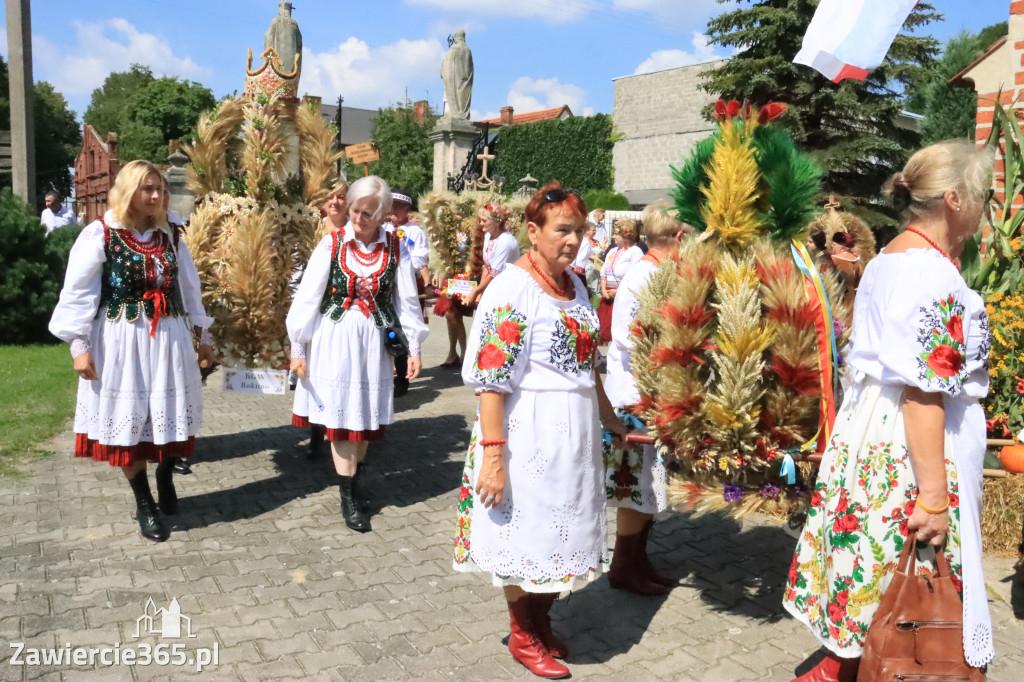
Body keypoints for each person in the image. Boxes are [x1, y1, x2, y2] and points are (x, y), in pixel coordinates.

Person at [784, 141, 995, 681]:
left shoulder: (891, 257)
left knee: (875, 577)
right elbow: (924, 389)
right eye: (984, 195)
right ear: (953, 198)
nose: (988, 206)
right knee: (911, 589)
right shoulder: (931, 273)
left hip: (873, 428)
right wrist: (933, 496)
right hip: (911, 440)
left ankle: (843, 667)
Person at [452, 181, 627, 679]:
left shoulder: (577, 284)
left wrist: (609, 417)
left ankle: (541, 617)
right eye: (562, 230)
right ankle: (521, 632)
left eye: (579, 230)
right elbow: (490, 380)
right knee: (524, 533)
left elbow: (586, 364)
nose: (572, 240)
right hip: (525, 433)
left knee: (564, 533)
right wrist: (492, 457)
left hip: (574, 437)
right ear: (533, 231)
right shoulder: (513, 287)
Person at [48, 160, 215, 542]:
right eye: (147, 189)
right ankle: (144, 503)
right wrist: (78, 346)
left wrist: (204, 337)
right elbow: (78, 294)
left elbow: (189, 288)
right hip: (121, 340)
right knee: (129, 421)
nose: (156, 196)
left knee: (169, 415)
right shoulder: (101, 233)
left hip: (168, 338)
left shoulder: (171, 234)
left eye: (159, 189)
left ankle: (165, 473)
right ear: (129, 192)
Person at [287, 175, 428, 533]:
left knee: (364, 420)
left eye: (368, 213)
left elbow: (407, 302)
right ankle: (348, 494)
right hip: (334, 339)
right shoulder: (331, 245)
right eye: (355, 210)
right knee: (341, 422)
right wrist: (298, 348)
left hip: (373, 343)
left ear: (383, 215)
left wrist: (414, 347)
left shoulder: (397, 249)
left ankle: (357, 478)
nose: (359, 219)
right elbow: (307, 299)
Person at [603, 200, 689, 596]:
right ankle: (624, 566)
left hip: (652, 392)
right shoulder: (643, 276)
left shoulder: (659, 271)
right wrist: (655, 392)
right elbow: (629, 338)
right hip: (636, 396)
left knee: (648, 484)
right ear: (678, 236)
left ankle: (637, 559)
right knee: (635, 484)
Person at [304, 179, 350, 461]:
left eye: (341, 196)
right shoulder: (309, 227)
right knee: (312, 372)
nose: (335, 202)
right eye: (329, 196)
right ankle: (314, 431)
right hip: (312, 306)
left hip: (340, 310)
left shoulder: (355, 229)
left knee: (339, 370)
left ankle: (342, 428)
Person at [387, 189, 430, 397]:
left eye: (397, 206)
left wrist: (402, 257)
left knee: (402, 331)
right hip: (384, 286)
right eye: (391, 205)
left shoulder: (414, 232)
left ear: (406, 210)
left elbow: (419, 261)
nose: (393, 210)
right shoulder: (383, 227)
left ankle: (401, 380)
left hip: (404, 285)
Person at [598, 219, 643, 344]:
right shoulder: (613, 251)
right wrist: (603, 289)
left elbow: (636, 277)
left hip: (623, 297)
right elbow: (603, 271)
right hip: (608, 296)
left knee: (621, 332)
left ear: (626, 235)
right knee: (606, 330)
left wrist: (618, 291)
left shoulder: (635, 252)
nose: (613, 236)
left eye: (616, 234)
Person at [466, 202, 520, 306]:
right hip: (495, 286)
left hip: (507, 290)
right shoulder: (488, 236)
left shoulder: (505, 241)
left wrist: (476, 291)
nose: (481, 223)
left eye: (484, 220)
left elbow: (494, 274)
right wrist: (480, 293)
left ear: (497, 222)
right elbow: (488, 266)